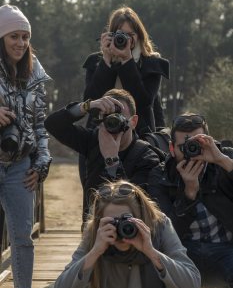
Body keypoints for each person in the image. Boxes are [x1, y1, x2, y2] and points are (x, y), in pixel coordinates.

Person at [54, 179, 201, 288]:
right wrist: (95, 252)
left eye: (127, 222)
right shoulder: (95, 233)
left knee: (177, 279)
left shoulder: (159, 227)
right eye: (112, 222)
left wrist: (150, 251)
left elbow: (191, 286)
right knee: (83, 279)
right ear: (101, 221)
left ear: (140, 218)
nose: (121, 230)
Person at [149, 113, 233, 288]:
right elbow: (164, 232)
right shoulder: (161, 175)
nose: (191, 153)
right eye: (182, 147)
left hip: (228, 249)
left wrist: (222, 160)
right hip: (183, 252)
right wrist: (189, 193)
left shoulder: (225, 160)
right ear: (171, 148)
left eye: (197, 144)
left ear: (210, 141)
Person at [45, 88, 163, 227]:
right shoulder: (93, 141)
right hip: (94, 235)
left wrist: (112, 160)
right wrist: (87, 106)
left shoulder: (146, 157)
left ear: (133, 121)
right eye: (107, 117)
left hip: (130, 238)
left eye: (119, 116)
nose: (113, 122)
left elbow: (137, 205)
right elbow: (52, 124)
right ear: (100, 120)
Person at [0, 4, 51, 288]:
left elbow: (41, 123)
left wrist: (43, 162)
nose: (20, 43)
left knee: (22, 236)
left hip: (20, 165)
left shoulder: (34, 73)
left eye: (25, 37)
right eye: (13, 36)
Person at [83, 6, 169, 135]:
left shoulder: (152, 64)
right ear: (110, 35)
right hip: (100, 135)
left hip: (138, 137)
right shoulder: (96, 62)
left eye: (130, 35)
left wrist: (127, 61)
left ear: (139, 36)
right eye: (120, 34)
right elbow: (90, 101)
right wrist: (106, 61)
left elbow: (143, 103)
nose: (125, 39)